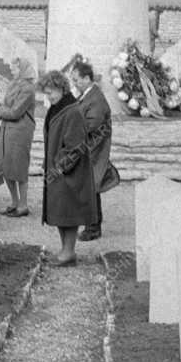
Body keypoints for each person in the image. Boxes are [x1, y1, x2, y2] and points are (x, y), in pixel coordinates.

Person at [40, 69, 97, 267]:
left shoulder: (72, 111)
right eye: (46, 93)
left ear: (62, 89)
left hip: (69, 171)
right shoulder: (55, 108)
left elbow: (75, 145)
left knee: (68, 212)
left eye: (52, 92)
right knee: (58, 211)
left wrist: (60, 166)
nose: (49, 96)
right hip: (56, 169)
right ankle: (65, 249)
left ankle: (69, 251)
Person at [71, 59, 112, 242]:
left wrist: (69, 131)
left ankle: (93, 227)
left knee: (91, 188)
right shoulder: (89, 95)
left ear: (87, 78)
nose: (75, 83)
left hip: (93, 150)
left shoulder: (95, 98)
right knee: (89, 188)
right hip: (89, 149)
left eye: (77, 80)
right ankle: (92, 224)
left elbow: (91, 125)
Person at [0, 56, 37, 216]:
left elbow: (15, 112)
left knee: (19, 167)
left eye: (15, 68)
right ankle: (14, 202)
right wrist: (4, 110)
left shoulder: (28, 88)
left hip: (20, 132)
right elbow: (8, 107)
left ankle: (23, 205)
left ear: (23, 69)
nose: (12, 70)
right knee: (6, 166)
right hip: (7, 129)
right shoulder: (14, 84)